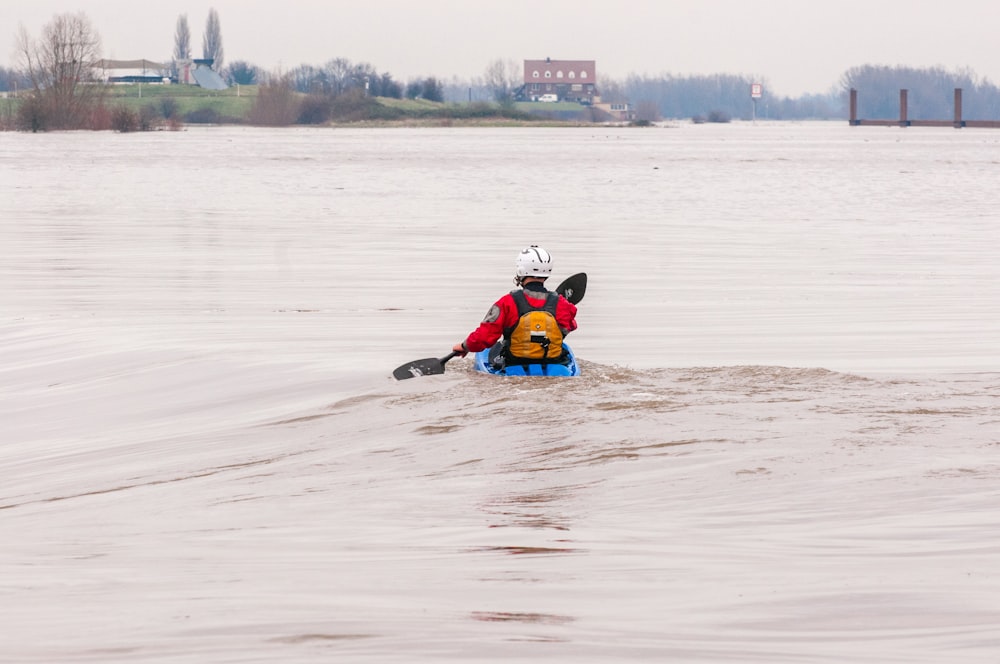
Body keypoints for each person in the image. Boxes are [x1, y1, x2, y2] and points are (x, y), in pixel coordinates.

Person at [453, 245, 578, 368]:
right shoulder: (562, 304)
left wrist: (465, 346)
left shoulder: (507, 302)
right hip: (554, 363)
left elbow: (485, 336)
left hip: (514, 363)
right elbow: (570, 326)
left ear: (520, 270)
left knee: (497, 348)